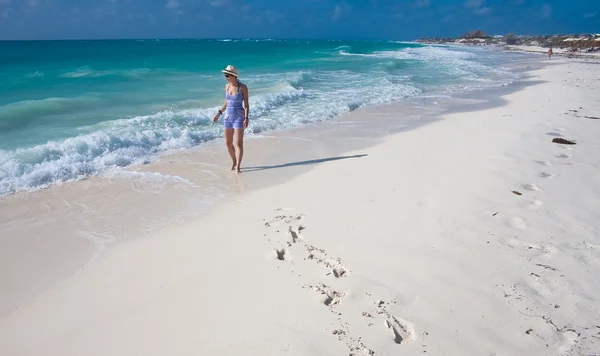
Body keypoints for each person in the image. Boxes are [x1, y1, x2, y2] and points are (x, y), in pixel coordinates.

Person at [212, 65, 249, 173]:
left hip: (239, 117)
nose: (225, 77)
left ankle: (238, 166)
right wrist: (218, 113)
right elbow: (226, 102)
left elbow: (246, 104)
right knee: (228, 142)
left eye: (227, 75)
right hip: (228, 117)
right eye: (225, 75)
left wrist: (246, 118)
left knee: (238, 143)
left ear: (233, 76)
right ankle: (234, 161)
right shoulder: (227, 86)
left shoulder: (243, 87)